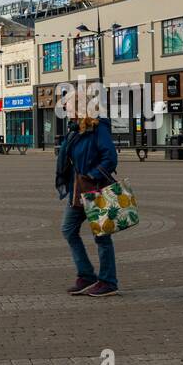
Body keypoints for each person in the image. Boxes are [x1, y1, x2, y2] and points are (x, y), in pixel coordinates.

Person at [55, 92, 120, 297]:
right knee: (68, 230)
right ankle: (86, 275)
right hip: (78, 189)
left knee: (101, 236)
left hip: (94, 188)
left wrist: (91, 176)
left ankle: (108, 281)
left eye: (67, 105)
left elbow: (110, 158)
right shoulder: (74, 131)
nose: (65, 109)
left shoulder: (98, 128)